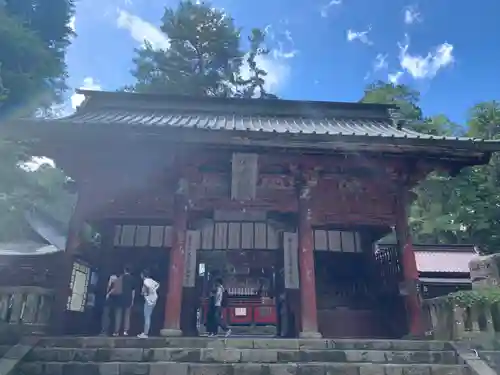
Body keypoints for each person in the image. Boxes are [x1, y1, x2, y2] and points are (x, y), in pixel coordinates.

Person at [113, 266, 135, 336]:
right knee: (127, 315)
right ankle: (125, 331)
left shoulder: (120, 278)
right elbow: (133, 291)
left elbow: (115, 287)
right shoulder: (132, 279)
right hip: (128, 298)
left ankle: (116, 331)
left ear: (124, 270)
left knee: (118, 314)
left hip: (119, 298)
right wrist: (132, 300)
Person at [137, 269, 159, 338]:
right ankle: (145, 332)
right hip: (154, 299)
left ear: (143, 275)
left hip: (148, 300)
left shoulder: (145, 281)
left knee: (147, 316)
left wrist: (147, 293)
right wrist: (153, 291)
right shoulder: (151, 280)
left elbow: (145, 290)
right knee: (148, 316)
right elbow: (157, 285)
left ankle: (145, 333)